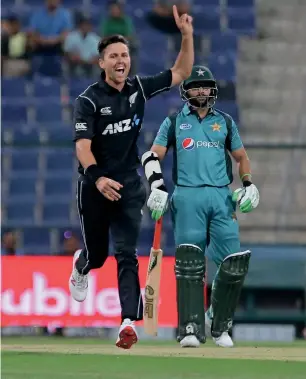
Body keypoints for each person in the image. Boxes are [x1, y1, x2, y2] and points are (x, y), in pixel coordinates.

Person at [69, 5, 194, 350]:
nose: (121, 60)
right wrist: (97, 179)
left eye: (124, 54)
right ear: (102, 63)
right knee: (97, 256)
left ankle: (127, 322)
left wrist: (186, 35)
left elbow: (182, 71)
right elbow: (82, 147)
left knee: (126, 253)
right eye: (113, 56)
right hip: (94, 188)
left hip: (129, 187)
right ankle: (81, 264)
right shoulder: (88, 101)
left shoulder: (139, 87)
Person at [141, 65, 260, 348]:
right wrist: (156, 186)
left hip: (221, 197)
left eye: (206, 86)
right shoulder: (173, 122)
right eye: (196, 86)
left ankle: (219, 326)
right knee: (190, 262)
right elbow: (151, 155)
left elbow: (242, 157)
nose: (202, 91)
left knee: (233, 263)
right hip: (187, 196)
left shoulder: (226, 122)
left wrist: (248, 184)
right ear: (187, 91)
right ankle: (191, 328)